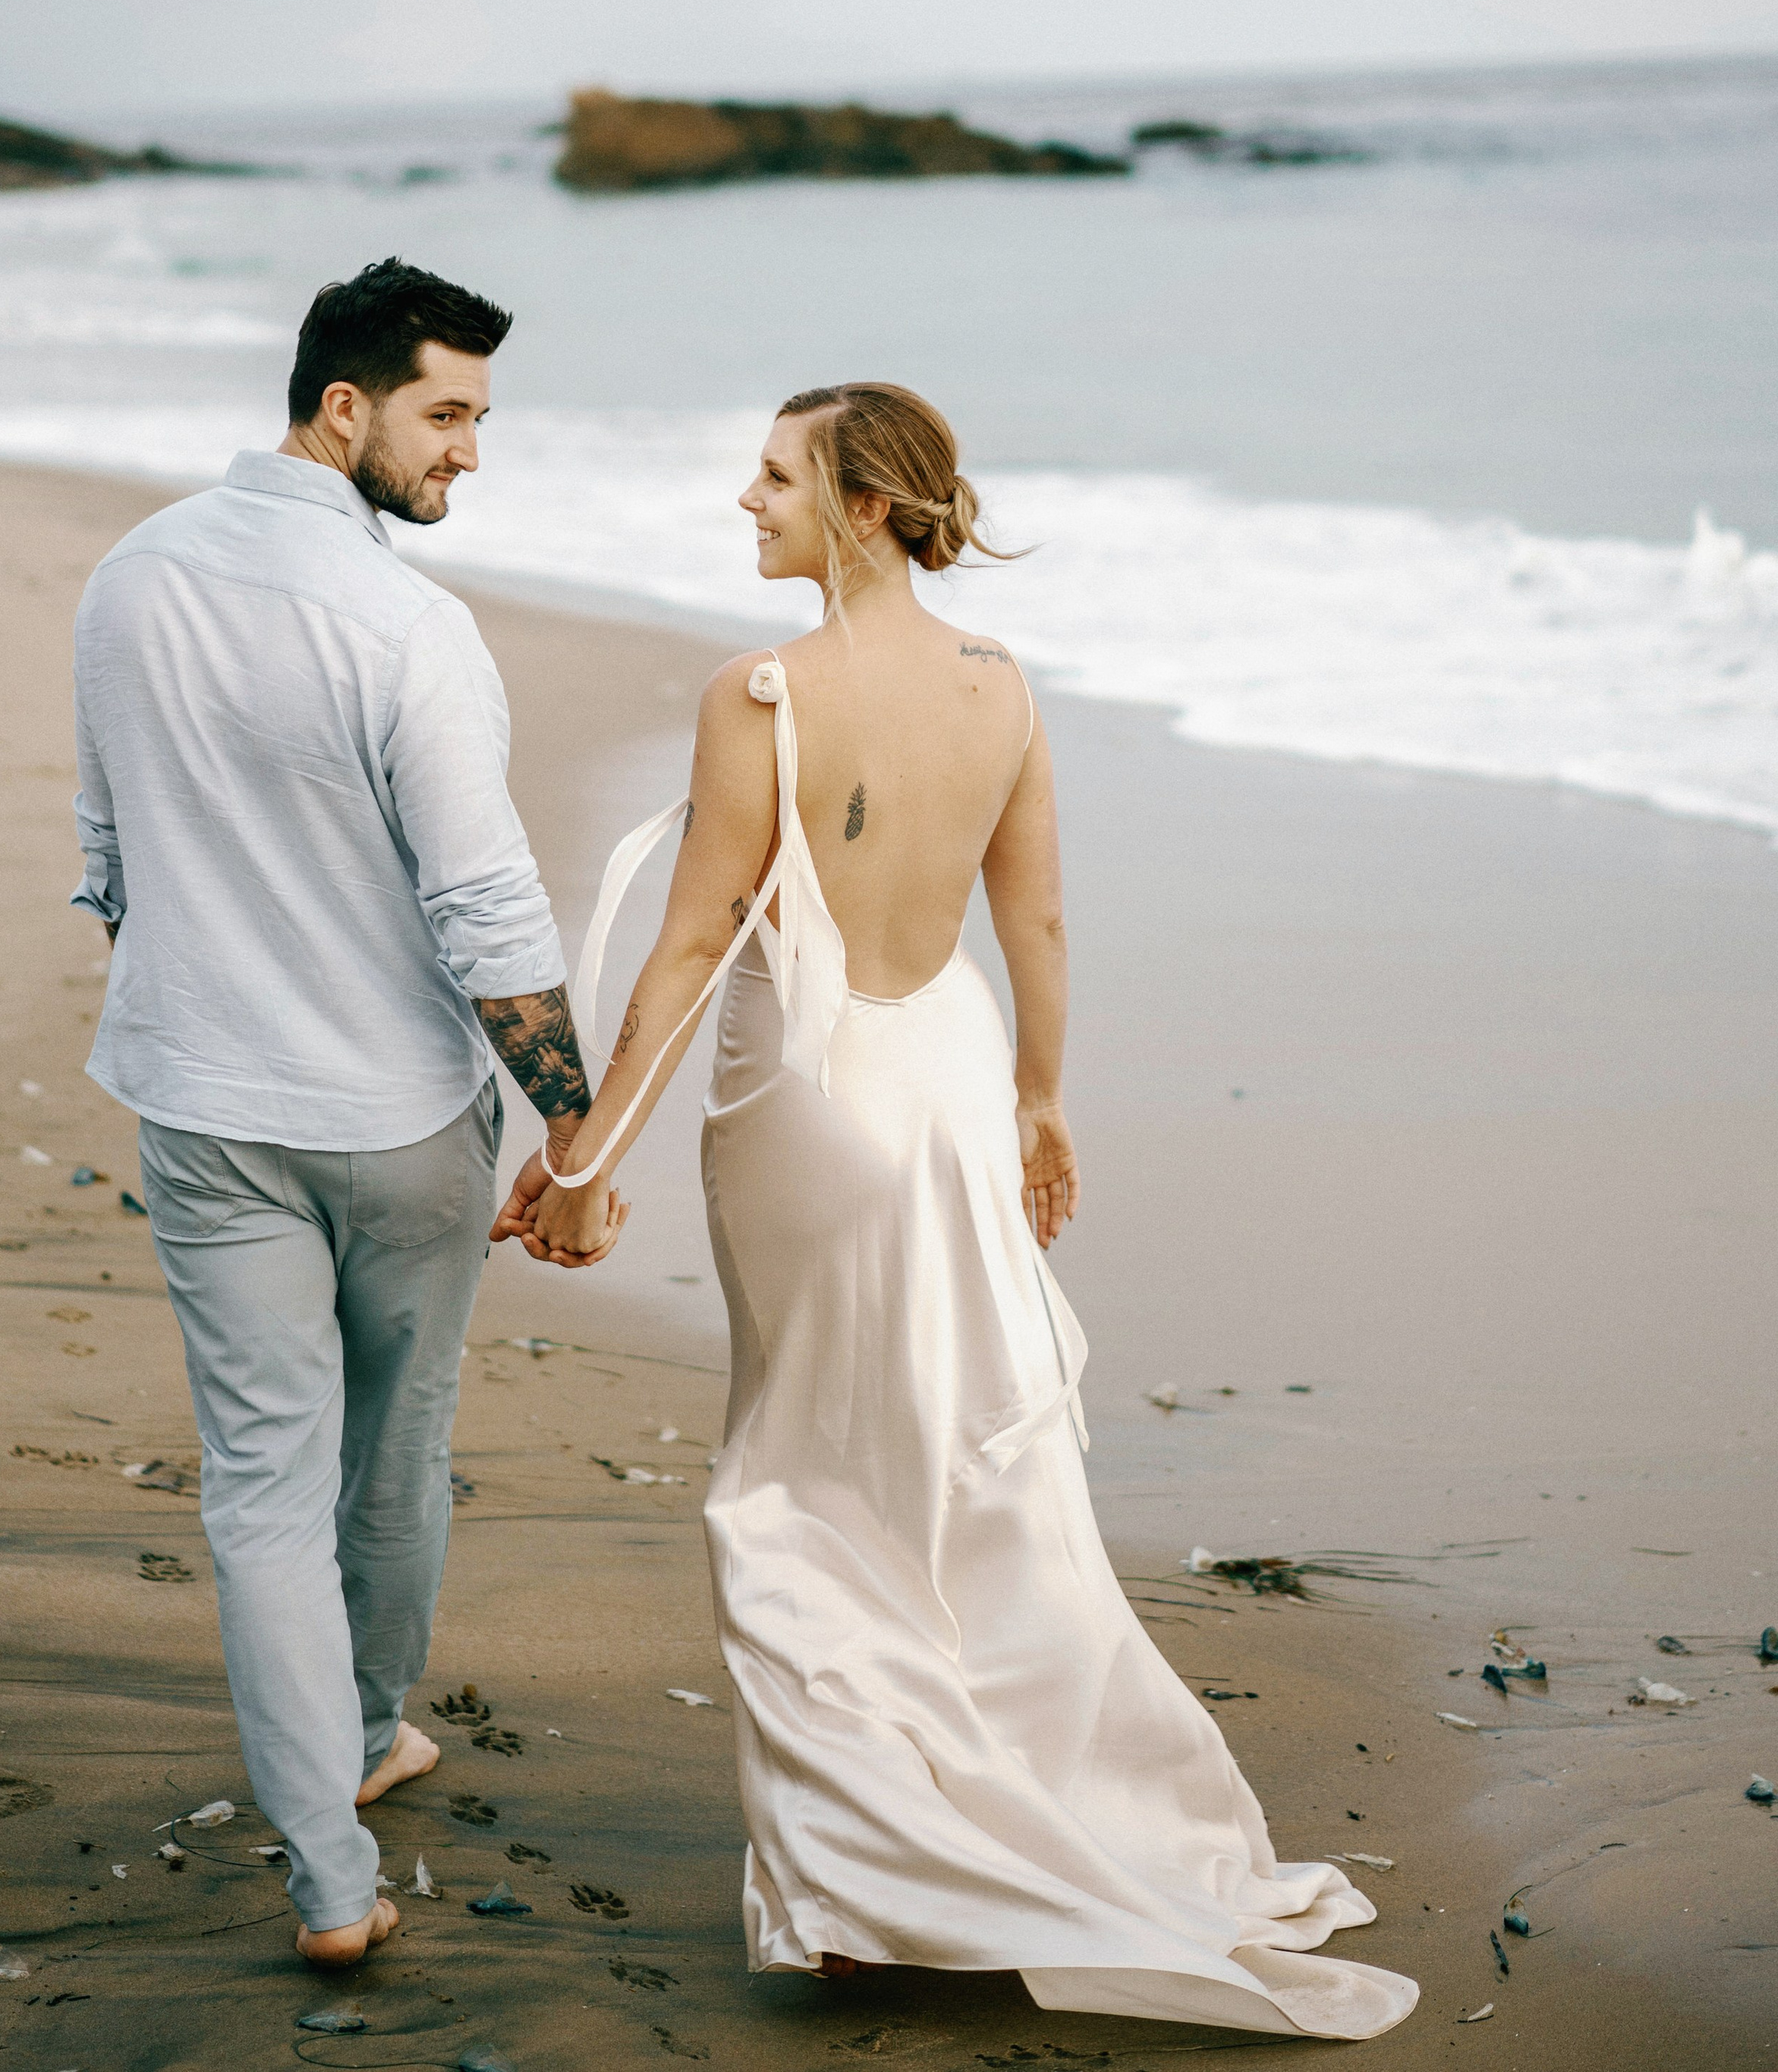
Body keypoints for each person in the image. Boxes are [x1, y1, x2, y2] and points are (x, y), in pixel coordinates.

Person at [493, 381, 1417, 2040]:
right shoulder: (999, 688)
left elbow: (696, 951)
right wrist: (1042, 1103)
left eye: (772, 476)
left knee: (791, 1484)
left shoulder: (759, 693)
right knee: (953, 1471)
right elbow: (1035, 915)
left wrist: (580, 1160)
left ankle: (864, 1897)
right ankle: (997, 1827)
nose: (742, 497)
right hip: (943, 1080)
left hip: (806, 1117)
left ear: (860, 507)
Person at [71, 256, 621, 1969]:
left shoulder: (127, 578)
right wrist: (577, 1137)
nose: (469, 453)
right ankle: (373, 1728)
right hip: (391, 1121)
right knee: (388, 1455)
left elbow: (108, 871)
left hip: (201, 1103)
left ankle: (327, 1872)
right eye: (447, 414)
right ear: (344, 407)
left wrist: (226, 988)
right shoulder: (405, 627)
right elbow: (489, 916)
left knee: (259, 1483)